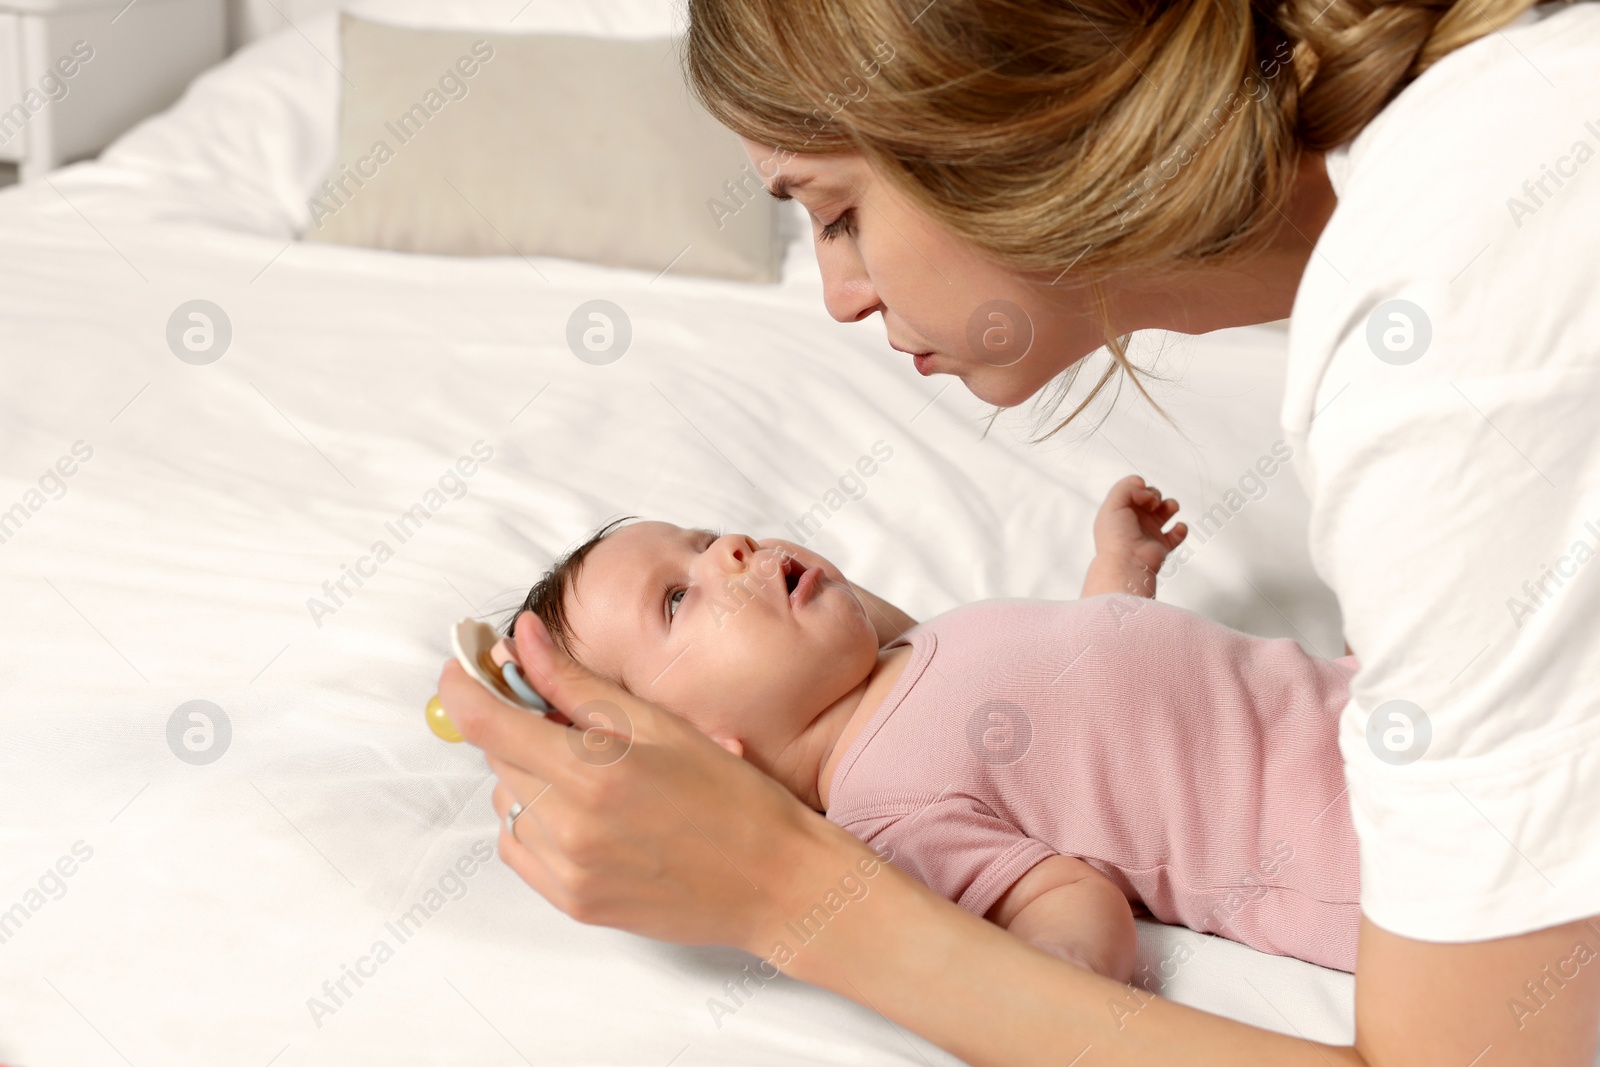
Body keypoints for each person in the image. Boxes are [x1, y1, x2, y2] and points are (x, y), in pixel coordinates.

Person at [439, 1, 1600, 1063]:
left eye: (837, 212)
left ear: (997, 123)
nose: (838, 297)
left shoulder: (1449, 333)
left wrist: (782, 893)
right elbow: (1060, 865)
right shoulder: (1476, 188)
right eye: (678, 598)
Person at [501, 479, 1359, 976]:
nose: (729, 544)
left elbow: (1084, 691)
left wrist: (1118, 575)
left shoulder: (911, 647)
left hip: (1350, 701)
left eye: (698, 537)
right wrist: (1052, 982)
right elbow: (1067, 897)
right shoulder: (884, 810)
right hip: (1352, 832)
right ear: (709, 752)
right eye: (677, 597)